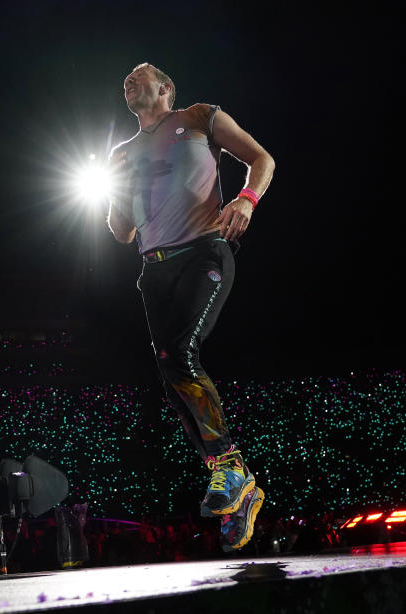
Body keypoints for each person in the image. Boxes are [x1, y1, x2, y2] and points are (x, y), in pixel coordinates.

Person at [107, 63, 275, 551]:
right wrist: (115, 186)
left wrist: (245, 199)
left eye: (139, 76)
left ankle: (229, 468)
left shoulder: (200, 117)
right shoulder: (122, 152)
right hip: (153, 269)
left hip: (204, 251)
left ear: (166, 88)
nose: (129, 82)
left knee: (180, 355)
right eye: (125, 82)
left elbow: (262, 159)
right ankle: (237, 488)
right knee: (169, 372)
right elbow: (122, 231)